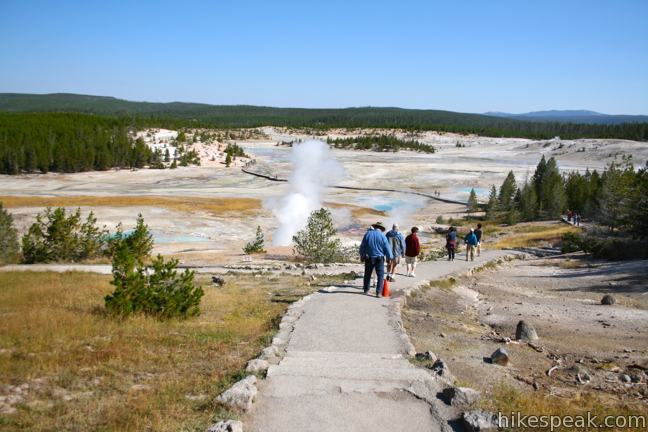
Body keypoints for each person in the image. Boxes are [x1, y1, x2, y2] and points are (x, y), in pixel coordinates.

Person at [359, 222, 394, 297]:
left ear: (375, 227)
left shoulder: (367, 234)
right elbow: (387, 248)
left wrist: (362, 255)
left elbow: (362, 246)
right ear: (381, 228)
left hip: (368, 258)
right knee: (380, 275)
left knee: (367, 274)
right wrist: (389, 258)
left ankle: (366, 290)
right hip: (379, 258)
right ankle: (378, 292)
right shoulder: (382, 236)